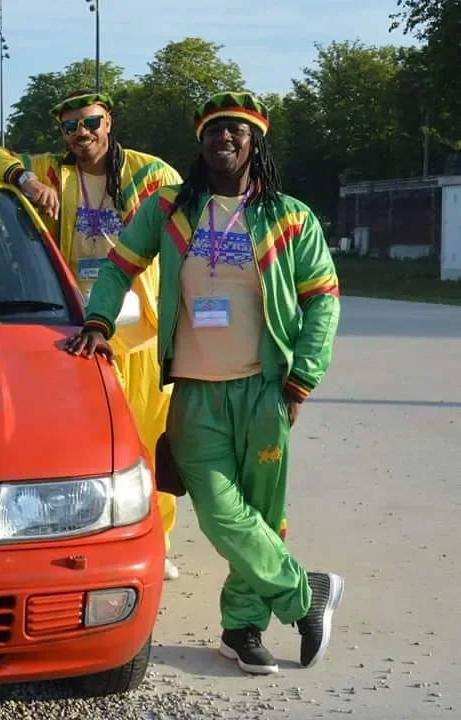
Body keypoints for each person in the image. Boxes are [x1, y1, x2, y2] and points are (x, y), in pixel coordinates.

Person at [66, 91, 344, 675]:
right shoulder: (170, 209)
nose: (225, 139)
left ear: (255, 142)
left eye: (237, 131)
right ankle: (304, 593)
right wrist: (97, 319)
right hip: (193, 393)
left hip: (266, 390)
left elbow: (323, 299)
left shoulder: (290, 217)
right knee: (220, 513)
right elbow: (120, 265)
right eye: (215, 130)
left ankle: (242, 629)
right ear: (200, 141)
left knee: (262, 517)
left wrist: (301, 379)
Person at [0, 88, 184, 580]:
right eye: (71, 127)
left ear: (109, 121)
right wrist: (22, 177)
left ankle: (159, 539)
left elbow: (185, 229)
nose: (82, 134)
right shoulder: (51, 172)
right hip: (78, 329)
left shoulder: (152, 173)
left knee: (150, 435)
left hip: (140, 326)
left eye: (91, 122)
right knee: (89, 441)